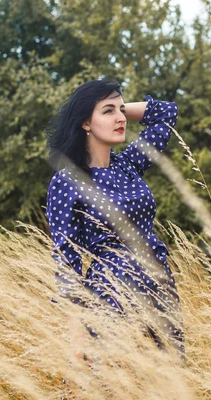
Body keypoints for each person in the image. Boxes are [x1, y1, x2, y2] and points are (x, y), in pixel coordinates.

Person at [45, 78, 184, 358]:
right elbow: (66, 263)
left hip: (159, 290)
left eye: (121, 111)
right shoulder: (69, 181)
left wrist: (115, 105)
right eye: (108, 112)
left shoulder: (128, 164)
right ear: (85, 123)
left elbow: (166, 114)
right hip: (113, 296)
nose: (120, 118)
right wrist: (77, 340)